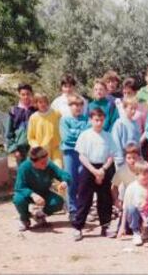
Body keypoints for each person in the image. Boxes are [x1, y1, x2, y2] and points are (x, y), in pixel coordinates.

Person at [72, 108, 118, 241]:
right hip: (89, 168)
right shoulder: (85, 135)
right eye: (96, 120)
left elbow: (111, 156)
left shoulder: (108, 136)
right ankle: (78, 227)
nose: (99, 123)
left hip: (104, 168)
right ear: (91, 120)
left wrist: (103, 170)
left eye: (101, 120)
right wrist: (93, 171)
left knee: (105, 199)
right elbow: (82, 156)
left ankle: (105, 226)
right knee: (84, 199)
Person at [13, 147, 71, 231]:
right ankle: (25, 219)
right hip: (28, 195)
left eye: (46, 161)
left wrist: (64, 182)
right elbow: (19, 187)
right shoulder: (24, 167)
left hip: (44, 193)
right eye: (42, 163)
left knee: (58, 202)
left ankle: (40, 215)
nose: (46, 164)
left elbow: (64, 174)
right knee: (18, 199)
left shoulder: (49, 164)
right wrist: (32, 194)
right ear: (33, 162)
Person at [59, 93, 90, 221]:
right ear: (70, 106)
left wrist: (75, 134)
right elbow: (66, 137)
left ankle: (82, 207)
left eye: (80, 105)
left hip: (83, 153)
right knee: (71, 179)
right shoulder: (64, 120)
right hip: (70, 153)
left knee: (83, 179)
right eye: (74, 105)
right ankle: (72, 208)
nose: (77, 107)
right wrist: (79, 135)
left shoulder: (86, 120)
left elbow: (87, 135)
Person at [117, 160, 148, 246]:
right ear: (136, 175)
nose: (146, 177)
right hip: (136, 214)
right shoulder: (131, 187)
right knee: (131, 208)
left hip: (147, 214)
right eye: (143, 175)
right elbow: (125, 209)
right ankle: (136, 232)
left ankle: (145, 230)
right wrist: (122, 227)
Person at [27, 93, 63, 168]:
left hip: (56, 150)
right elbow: (31, 137)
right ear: (36, 103)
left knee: (58, 169)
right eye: (40, 102)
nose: (43, 104)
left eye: (45, 102)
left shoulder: (56, 113)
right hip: (41, 153)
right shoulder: (33, 118)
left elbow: (63, 127)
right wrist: (37, 147)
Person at [5, 83, 36, 165]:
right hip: (20, 150)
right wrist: (14, 150)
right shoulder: (13, 111)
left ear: (31, 94)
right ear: (19, 95)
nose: (25, 97)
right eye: (23, 94)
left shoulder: (36, 110)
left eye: (28, 94)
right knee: (23, 173)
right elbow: (9, 133)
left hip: (35, 148)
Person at [111, 97, 141, 167]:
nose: (133, 111)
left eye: (135, 109)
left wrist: (139, 155)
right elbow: (116, 141)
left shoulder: (135, 123)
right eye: (131, 108)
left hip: (134, 158)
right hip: (123, 159)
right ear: (124, 108)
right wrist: (119, 158)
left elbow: (138, 142)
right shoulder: (119, 123)